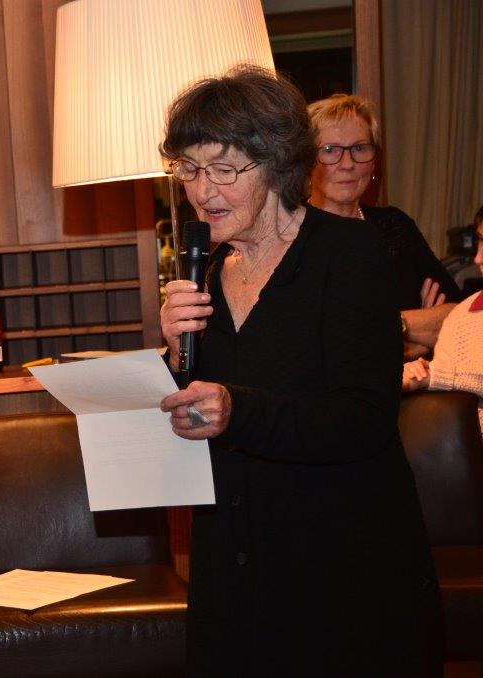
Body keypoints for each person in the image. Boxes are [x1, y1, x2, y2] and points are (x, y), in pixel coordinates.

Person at [158, 66, 442, 675]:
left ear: (276, 163)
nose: (202, 191)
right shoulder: (210, 272)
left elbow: (363, 419)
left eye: (223, 169)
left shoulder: (349, 255)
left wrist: (236, 410)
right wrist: (173, 355)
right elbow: (198, 407)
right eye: (189, 169)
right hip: (236, 561)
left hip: (340, 567)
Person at [307, 93, 462, 358]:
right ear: (305, 161)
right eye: (330, 150)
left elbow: (459, 319)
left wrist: (398, 325)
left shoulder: (394, 225)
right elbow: (315, 345)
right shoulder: (290, 233)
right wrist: (415, 336)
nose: (348, 164)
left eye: (359, 148)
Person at [404, 205, 483, 430]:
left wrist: (435, 375)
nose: (478, 258)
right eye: (480, 240)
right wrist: (420, 372)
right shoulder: (462, 316)